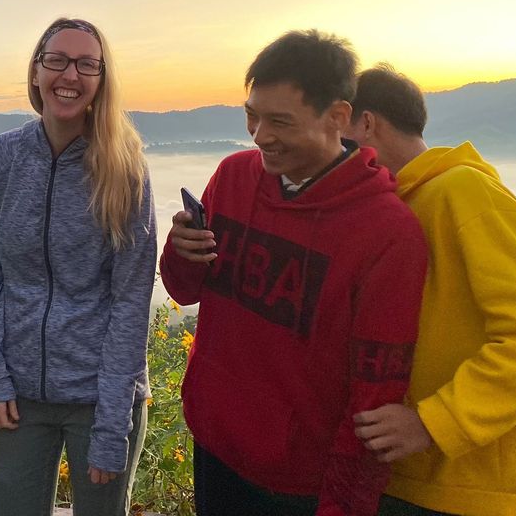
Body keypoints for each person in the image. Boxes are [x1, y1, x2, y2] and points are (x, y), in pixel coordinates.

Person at [160, 30, 429, 516]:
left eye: (280, 121)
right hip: (216, 443)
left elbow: (376, 390)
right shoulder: (234, 176)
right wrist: (181, 252)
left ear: (338, 117)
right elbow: (183, 289)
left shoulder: (389, 233)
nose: (261, 135)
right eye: (252, 116)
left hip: (300, 481)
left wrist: (345, 503)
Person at [0, 17, 156, 516]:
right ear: (35, 72)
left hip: (102, 396)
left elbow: (131, 300)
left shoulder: (124, 168)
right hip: (19, 396)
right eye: (56, 60)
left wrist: (114, 421)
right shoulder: (3, 156)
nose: (69, 74)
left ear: (101, 80)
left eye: (86, 64)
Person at [347, 65, 516, 516]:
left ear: (365, 123)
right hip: (411, 476)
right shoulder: (397, 204)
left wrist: (434, 423)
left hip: (481, 492)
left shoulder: (465, 190)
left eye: (335, 129)